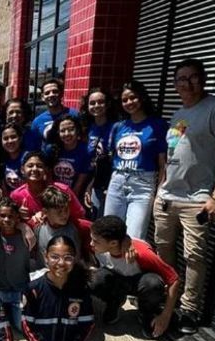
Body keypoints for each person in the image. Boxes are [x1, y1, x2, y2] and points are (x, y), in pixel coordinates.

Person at [153, 58, 215, 335]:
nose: (186, 83)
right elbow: (173, 155)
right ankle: (168, 300)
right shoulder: (179, 114)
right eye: (181, 78)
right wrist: (159, 190)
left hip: (197, 200)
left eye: (192, 77)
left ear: (202, 79)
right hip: (167, 197)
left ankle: (189, 309)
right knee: (163, 252)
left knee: (194, 256)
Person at [90, 216, 179, 339]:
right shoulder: (99, 246)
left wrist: (165, 316)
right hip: (117, 280)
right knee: (94, 279)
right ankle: (114, 302)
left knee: (152, 283)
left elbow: (174, 279)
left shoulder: (141, 253)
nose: (91, 244)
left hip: (140, 282)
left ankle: (147, 312)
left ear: (113, 243)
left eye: (96, 241)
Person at [22, 235, 94, 341]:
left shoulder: (81, 290)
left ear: (75, 259)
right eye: (55, 257)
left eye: (68, 258)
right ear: (45, 257)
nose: (61, 263)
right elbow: (27, 328)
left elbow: (86, 326)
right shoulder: (33, 289)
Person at [104, 80, 168, 240]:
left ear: (142, 98)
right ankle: (108, 266)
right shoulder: (118, 127)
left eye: (132, 98)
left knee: (134, 237)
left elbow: (163, 163)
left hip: (143, 184)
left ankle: (129, 266)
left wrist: (159, 191)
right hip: (117, 181)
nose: (129, 102)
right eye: (124, 100)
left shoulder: (158, 125)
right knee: (109, 233)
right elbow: (112, 156)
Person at [0, 198, 33, 331]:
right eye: (2, 216)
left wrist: (26, 226)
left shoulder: (25, 235)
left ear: (18, 218)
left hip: (19, 290)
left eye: (11, 216)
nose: (6, 219)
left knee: (21, 327)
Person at [10, 151, 85, 225]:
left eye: (39, 166)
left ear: (46, 170)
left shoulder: (62, 190)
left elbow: (80, 216)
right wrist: (19, 217)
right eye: (30, 166)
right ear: (22, 170)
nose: (35, 169)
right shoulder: (16, 196)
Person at [80, 87, 118, 219]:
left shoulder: (117, 128)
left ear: (108, 104)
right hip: (87, 180)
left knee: (101, 220)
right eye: (92, 103)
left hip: (107, 183)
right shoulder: (86, 128)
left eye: (100, 102)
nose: (96, 106)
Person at [45, 115, 91, 201]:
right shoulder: (51, 150)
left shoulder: (85, 151)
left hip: (74, 196)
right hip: (54, 195)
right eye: (62, 131)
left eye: (71, 130)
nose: (67, 134)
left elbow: (79, 184)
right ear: (58, 133)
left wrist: (71, 200)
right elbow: (48, 177)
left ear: (77, 130)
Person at [31, 78, 78, 147]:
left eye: (55, 91)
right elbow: (34, 146)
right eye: (47, 93)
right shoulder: (37, 122)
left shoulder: (75, 115)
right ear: (42, 97)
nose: (51, 95)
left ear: (61, 94)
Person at [0, 123, 28, 195]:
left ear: (20, 138)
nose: (10, 141)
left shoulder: (29, 158)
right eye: (5, 138)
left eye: (13, 137)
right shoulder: (0, 160)